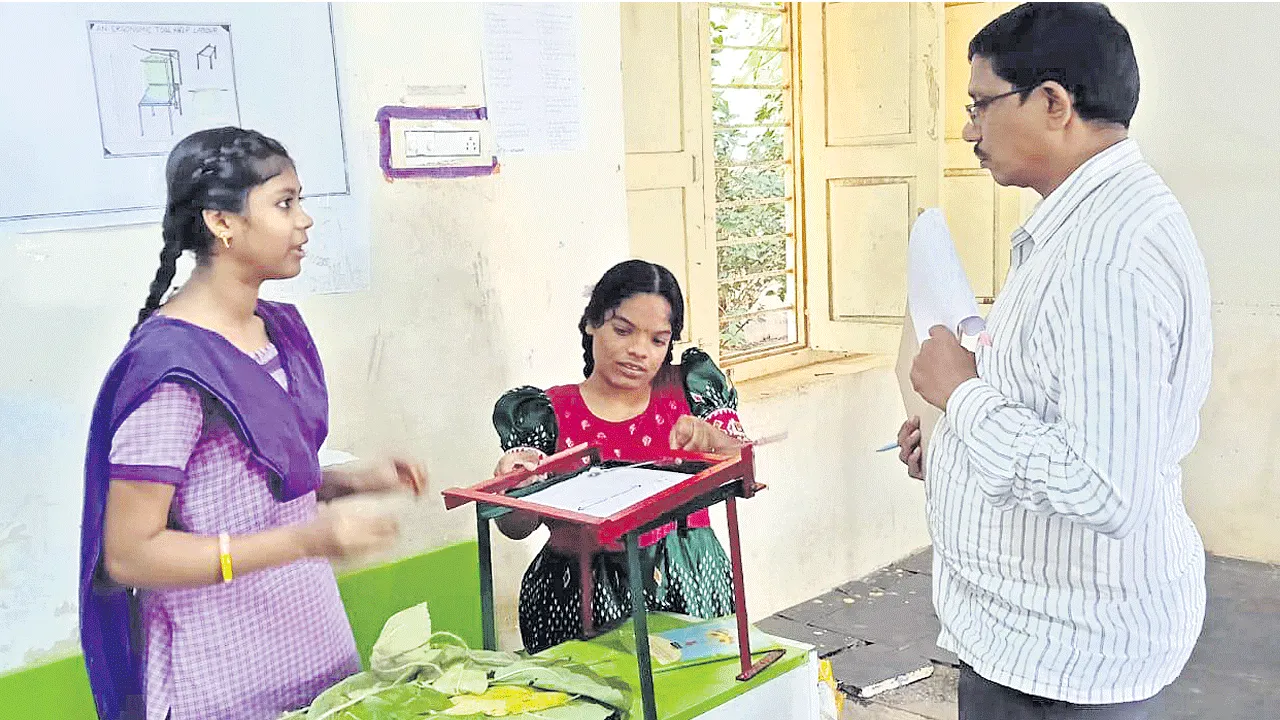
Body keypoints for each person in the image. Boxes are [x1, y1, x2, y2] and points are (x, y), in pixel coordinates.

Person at [900, 4, 1212, 718]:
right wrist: (955, 440)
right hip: (1033, 640)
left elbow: (1103, 486)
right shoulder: (1091, 227)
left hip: (1062, 663)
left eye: (982, 104)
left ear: (1053, 103)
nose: (969, 129)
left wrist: (964, 394)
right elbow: (1056, 409)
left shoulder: (1107, 257)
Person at [79, 127, 427, 720]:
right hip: (220, 682)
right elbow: (131, 555)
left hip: (312, 653)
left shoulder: (274, 333)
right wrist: (306, 539)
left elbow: (235, 486)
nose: (305, 221)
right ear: (222, 222)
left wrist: (348, 481)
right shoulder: (174, 369)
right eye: (284, 202)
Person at [491, 259, 747, 653]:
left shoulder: (688, 391)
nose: (638, 352)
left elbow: (742, 461)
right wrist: (515, 484)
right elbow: (515, 527)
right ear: (592, 322)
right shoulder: (549, 414)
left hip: (691, 577)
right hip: (578, 595)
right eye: (623, 331)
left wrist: (713, 438)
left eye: (657, 340)